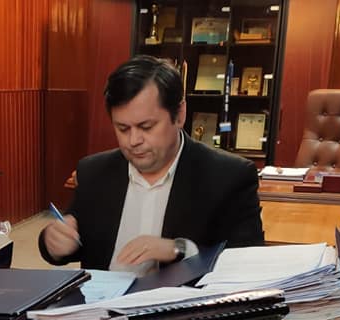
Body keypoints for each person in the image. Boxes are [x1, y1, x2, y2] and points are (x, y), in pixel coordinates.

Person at [39, 55, 264, 274]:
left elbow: (247, 265)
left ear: (179, 114)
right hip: (103, 297)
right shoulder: (94, 172)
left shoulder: (228, 176)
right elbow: (72, 240)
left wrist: (180, 249)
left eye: (146, 127)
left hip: (181, 298)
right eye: (122, 128)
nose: (133, 140)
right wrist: (53, 242)